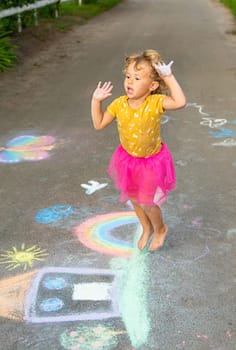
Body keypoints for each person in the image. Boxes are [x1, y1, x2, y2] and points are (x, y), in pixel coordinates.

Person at [91, 49, 186, 252]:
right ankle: (146, 228)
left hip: (151, 162)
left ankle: (160, 229)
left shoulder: (155, 102)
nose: (130, 82)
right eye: (128, 77)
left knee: (148, 202)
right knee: (134, 198)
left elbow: (180, 102)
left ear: (152, 85)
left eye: (137, 77)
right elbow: (99, 124)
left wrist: (168, 77)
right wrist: (96, 101)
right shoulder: (119, 104)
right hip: (128, 160)